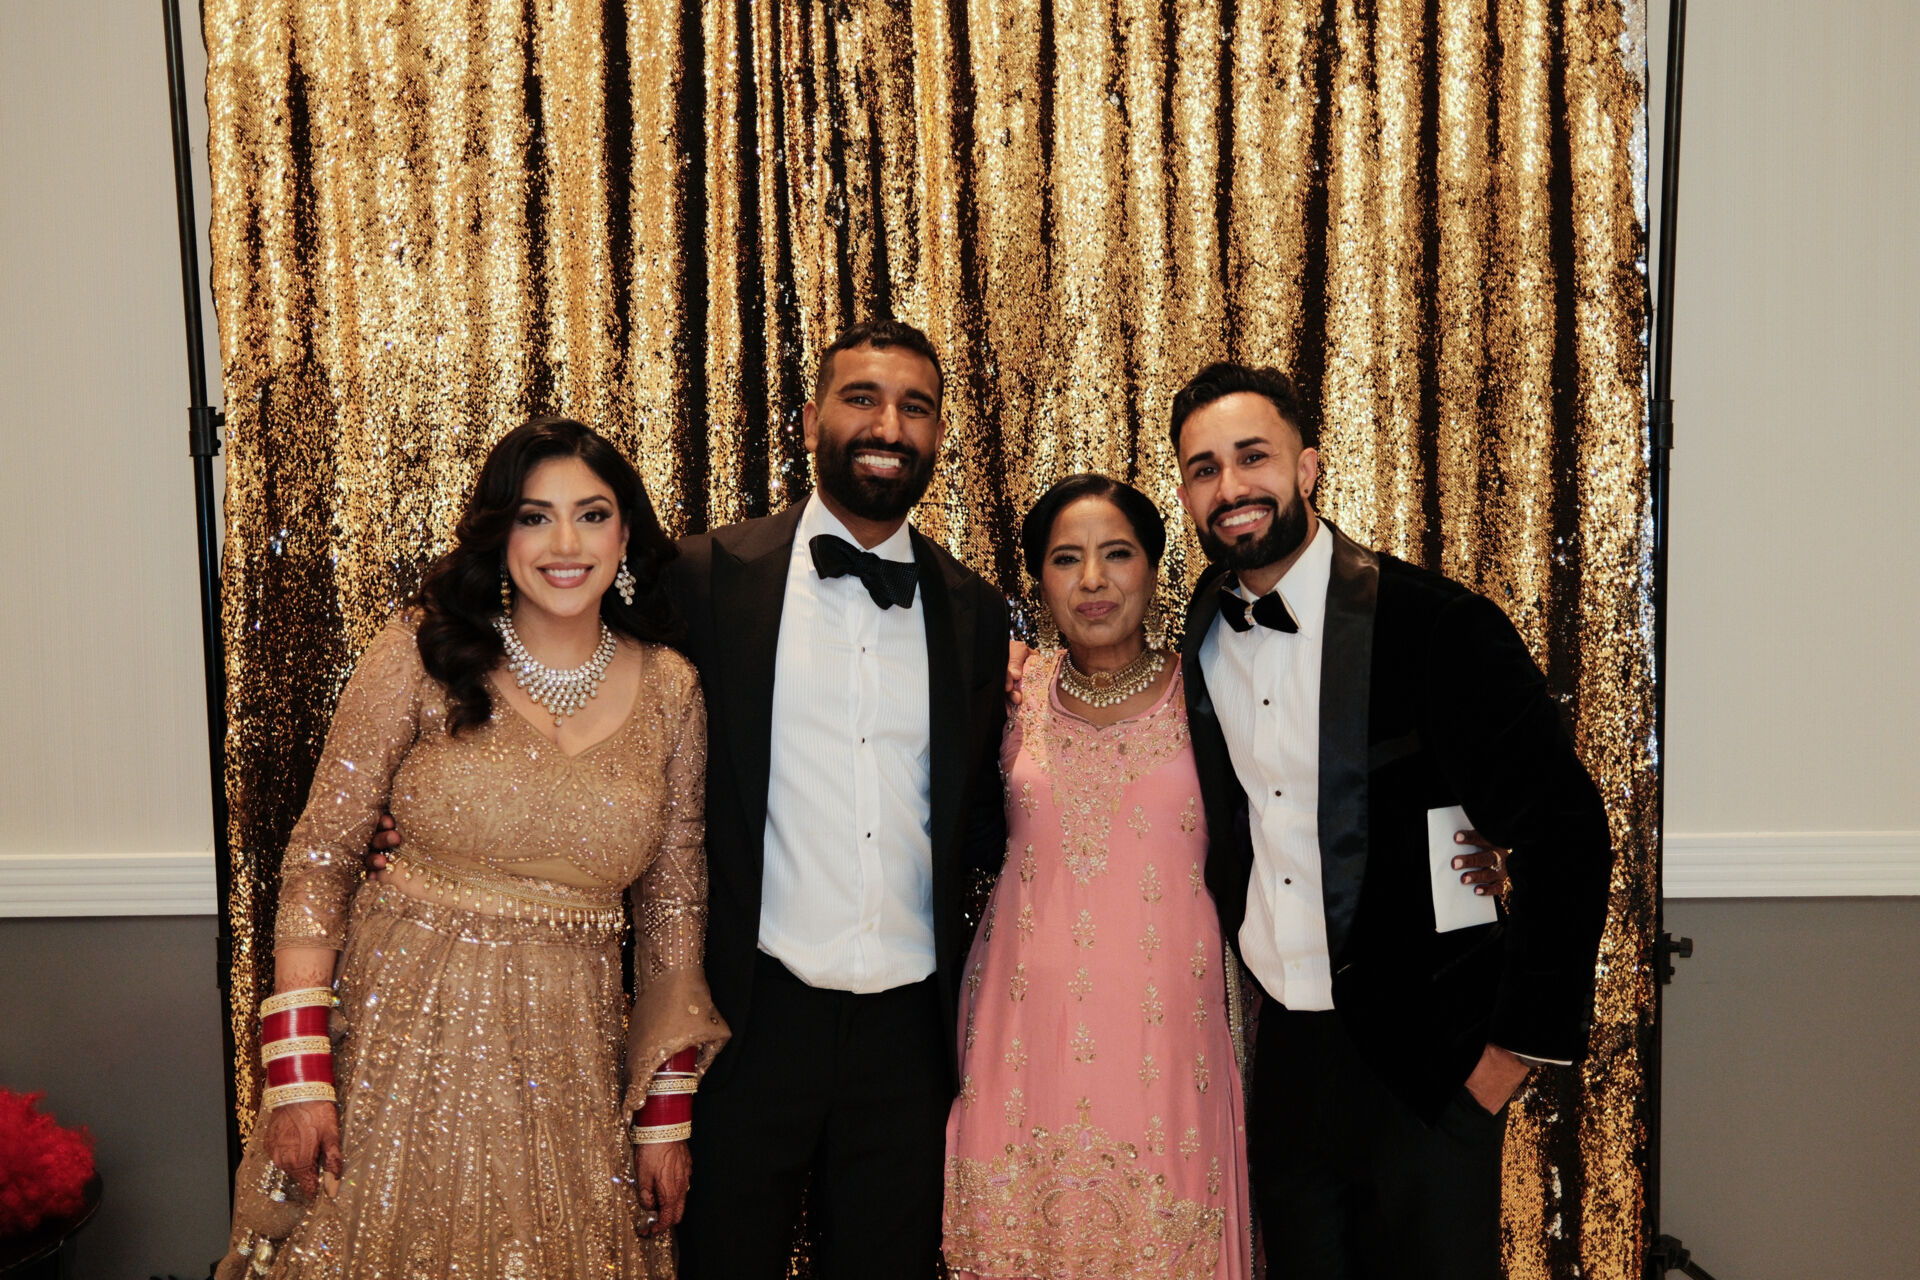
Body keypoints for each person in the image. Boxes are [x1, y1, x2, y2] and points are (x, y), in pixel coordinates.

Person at [219, 418, 728, 1278]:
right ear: (501, 536)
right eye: (535, 517)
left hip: (571, 1068)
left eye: (592, 515)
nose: (564, 545)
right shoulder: (421, 653)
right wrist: (300, 1074)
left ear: (626, 536)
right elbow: (321, 858)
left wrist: (664, 1118)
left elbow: (674, 908)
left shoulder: (672, 689)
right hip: (399, 1045)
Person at [1169, 362, 1615, 1279]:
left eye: (1254, 457)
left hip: (1427, 1066)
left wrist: (1504, 1060)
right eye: (1205, 468)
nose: (1231, 486)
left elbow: (1568, 833)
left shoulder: (1435, 624)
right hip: (1286, 1060)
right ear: (1186, 493)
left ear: (1308, 466)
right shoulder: (1204, 634)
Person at [663, 320, 1010, 1277]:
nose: (888, 426)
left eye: (914, 408)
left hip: (909, 1028)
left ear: (938, 434)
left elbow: (986, 810)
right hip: (749, 1013)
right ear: (812, 417)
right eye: (863, 399)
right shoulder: (707, 578)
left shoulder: (976, 611)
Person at [943, 475, 1254, 1279]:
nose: (1092, 580)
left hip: (1166, 1039)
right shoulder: (1011, 694)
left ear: (1153, 568)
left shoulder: (1212, 693)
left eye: (1117, 554)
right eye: (1065, 559)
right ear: (1038, 580)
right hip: (1022, 1035)